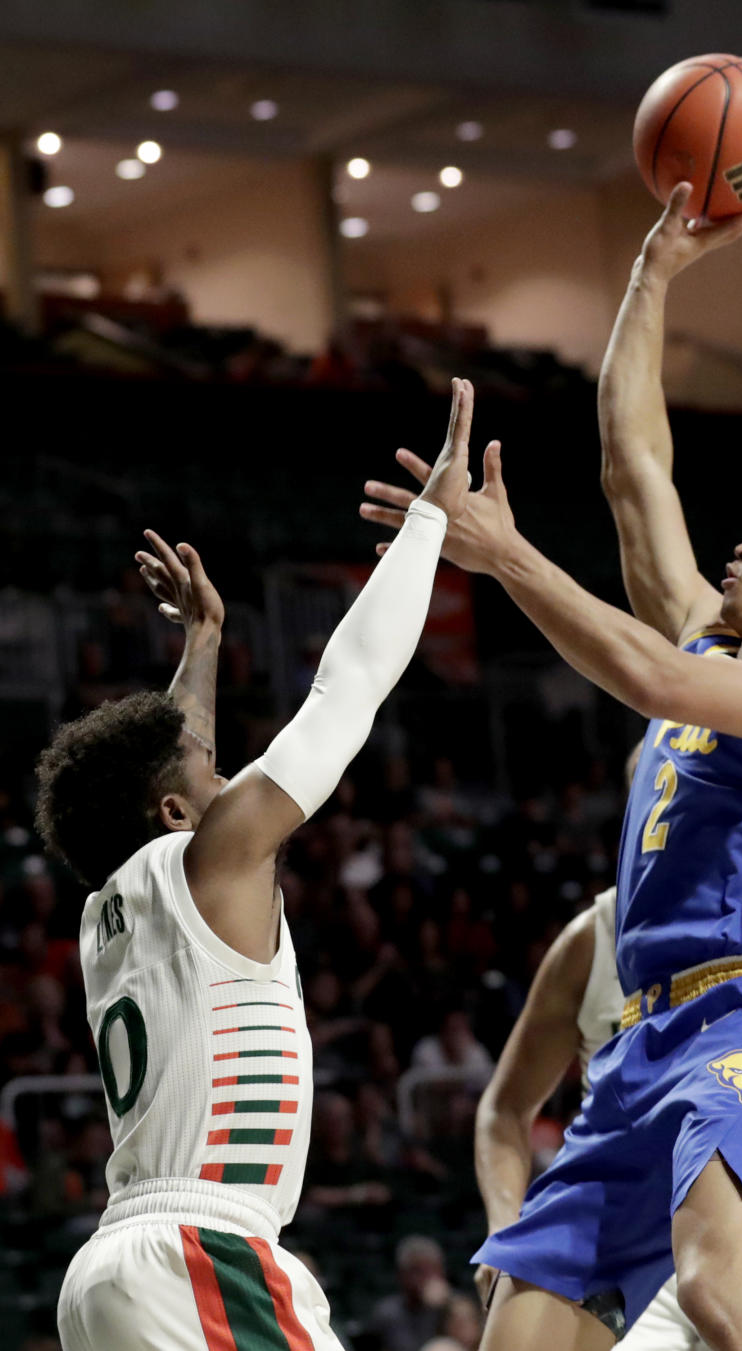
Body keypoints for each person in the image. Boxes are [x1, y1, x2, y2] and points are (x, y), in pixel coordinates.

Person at [360, 182, 742, 1351]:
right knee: (514, 1340)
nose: (741, 540)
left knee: (722, 1297)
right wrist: (651, 275)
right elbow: (633, 463)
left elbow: (658, 686)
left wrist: (508, 559)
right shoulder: (709, 639)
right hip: (633, 1053)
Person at [39, 379, 475, 1351]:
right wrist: (432, 525)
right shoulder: (207, 857)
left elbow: (171, 759)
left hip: (122, 1266)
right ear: (179, 811)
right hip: (204, 1250)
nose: (233, 773)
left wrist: (202, 641)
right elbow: (348, 687)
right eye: (215, 770)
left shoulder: (118, 900)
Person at [473, 876, 742, 1350]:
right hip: (631, 1244)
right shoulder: (594, 937)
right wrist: (502, 1223)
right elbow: (505, 1108)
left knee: (728, 1293)